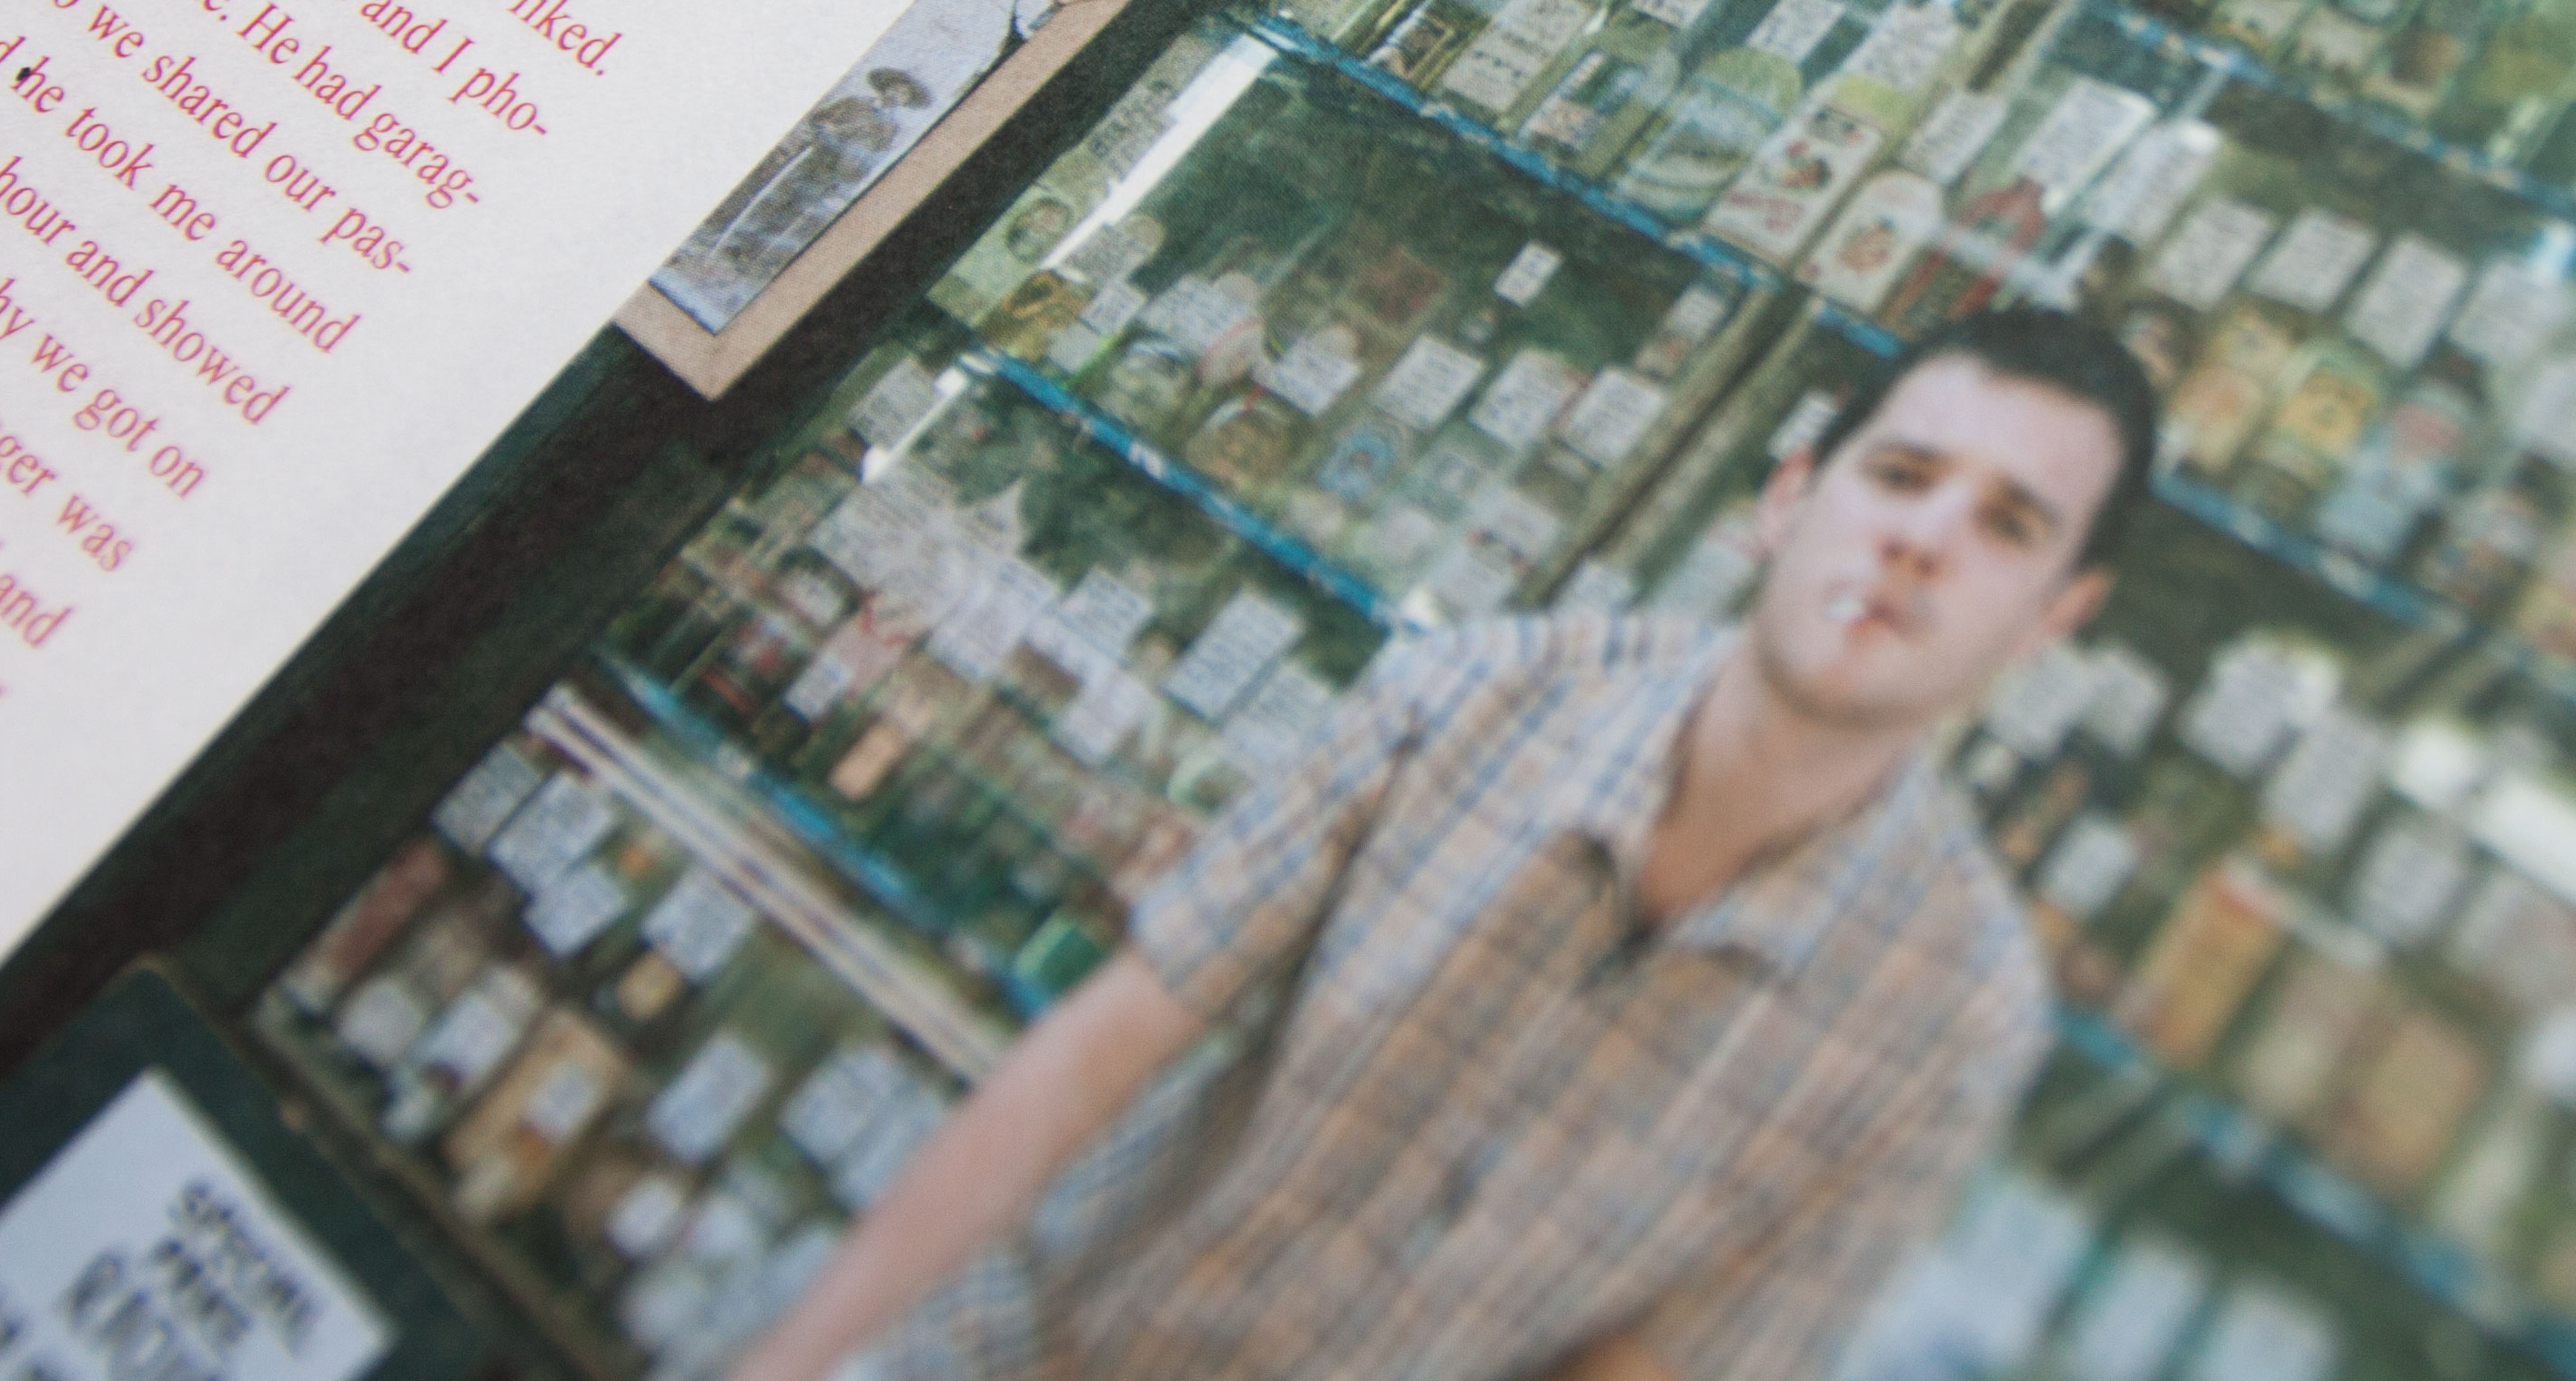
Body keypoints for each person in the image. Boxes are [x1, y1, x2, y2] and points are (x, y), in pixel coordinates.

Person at [729, 305, 2161, 1381]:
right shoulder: (1482, 694)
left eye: (2007, 524)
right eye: (1901, 473)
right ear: (1789, 499)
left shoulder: (1956, 1012)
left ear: (2055, 618)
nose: (1925, 538)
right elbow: (1104, 1049)